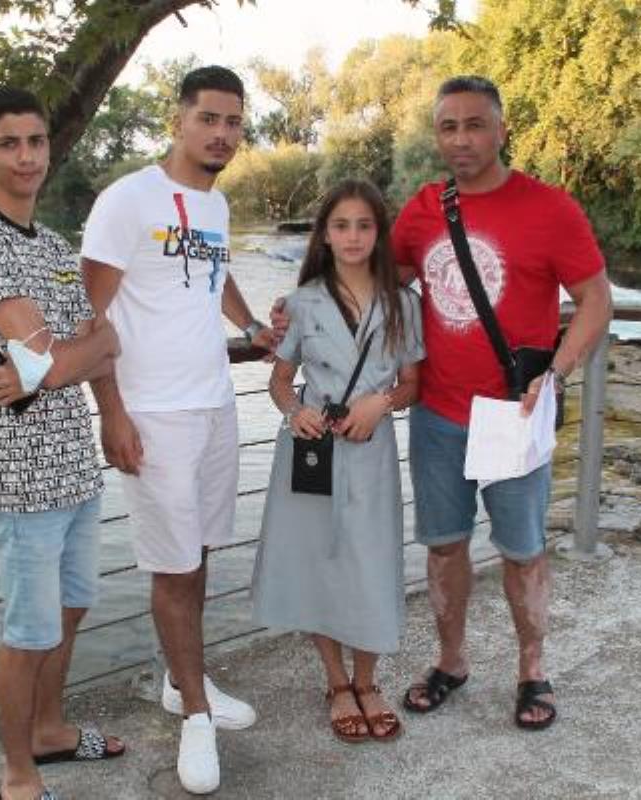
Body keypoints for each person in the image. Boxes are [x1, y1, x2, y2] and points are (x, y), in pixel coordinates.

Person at [392, 75, 612, 729]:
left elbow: (596, 300)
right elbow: (375, 283)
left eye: (475, 124)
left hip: (515, 414)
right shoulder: (422, 210)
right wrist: (302, 309)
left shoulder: (550, 208)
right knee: (444, 548)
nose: (461, 139)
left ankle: (532, 671)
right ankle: (451, 661)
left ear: (501, 130)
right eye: (449, 127)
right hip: (437, 415)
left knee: (523, 551)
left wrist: (558, 372)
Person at [79, 65, 276, 795]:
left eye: (234, 122)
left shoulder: (214, 205)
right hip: (153, 414)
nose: (222, 134)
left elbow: (213, 271)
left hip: (214, 404)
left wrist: (250, 326)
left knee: (199, 554)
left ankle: (179, 680)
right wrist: (112, 412)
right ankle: (195, 715)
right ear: (179, 121)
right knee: (173, 567)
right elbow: (87, 315)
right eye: (209, 119)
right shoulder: (127, 200)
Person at [0, 86, 125, 800]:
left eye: (36, 141)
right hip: (18, 477)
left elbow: (97, 345)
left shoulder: (50, 246)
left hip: (73, 462)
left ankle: (49, 729)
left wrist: (63, 366)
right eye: (8, 143)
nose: (26, 156)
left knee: (71, 608)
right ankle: (18, 774)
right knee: (28, 630)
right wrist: (65, 358)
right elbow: (54, 351)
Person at [251, 179, 423, 743]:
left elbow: (413, 383)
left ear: (379, 233)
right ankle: (336, 682)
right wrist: (294, 411)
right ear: (324, 234)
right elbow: (280, 381)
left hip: (371, 448)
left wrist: (382, 402)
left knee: (371, 562)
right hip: (312, 450)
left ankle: (368, 681)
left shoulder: (403, 303)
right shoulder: (301, 303)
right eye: (341, 225)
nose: (353, 237)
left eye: (364, 225)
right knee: (317, 562)